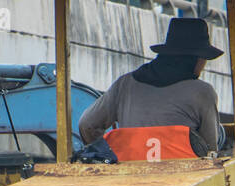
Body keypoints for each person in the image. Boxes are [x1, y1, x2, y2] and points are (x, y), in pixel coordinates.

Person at [77, 17, 222, 159]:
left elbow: (87, 124)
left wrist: (105, 154)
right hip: (181, 178)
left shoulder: (125, 84)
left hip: (128, 176)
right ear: (196, 59)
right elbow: (210, 150)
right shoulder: (203, 92)